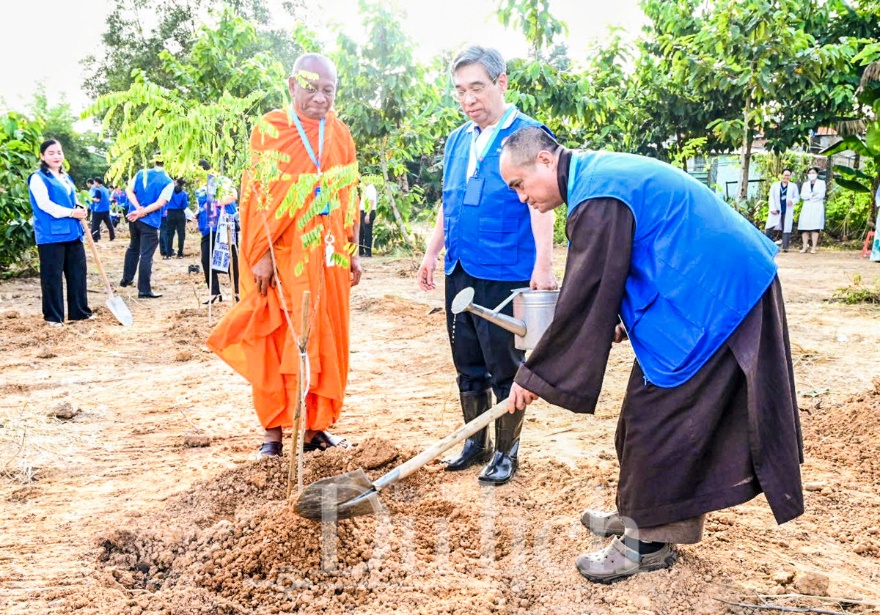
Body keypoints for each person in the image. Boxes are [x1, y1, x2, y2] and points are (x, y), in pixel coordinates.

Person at [499, 127, 803, 583]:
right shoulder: (594, 180)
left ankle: (647, 543)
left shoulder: (597, 197)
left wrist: (534, 373)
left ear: (545, 161)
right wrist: (615, 321)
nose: (522, 199)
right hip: (698, 285)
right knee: (641, 416)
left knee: (655, 420)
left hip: (717, 293)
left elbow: (585, 297)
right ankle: (645, 515)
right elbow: (621, 269)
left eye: (519, 185)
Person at [207, 53, 362, 457]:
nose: (320, 98)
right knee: (277, 338)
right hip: (281, 256)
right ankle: (273, 434)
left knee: (325, 337)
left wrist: (352, 251)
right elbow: (257, 198)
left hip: (327, 256)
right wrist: (260, 254)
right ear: (293, 85)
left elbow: (349, 197)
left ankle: (315, 430)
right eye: (311, 88)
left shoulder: (341, 134)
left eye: (329, 90)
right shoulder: (271, 130)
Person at [416, 46, 557, 485]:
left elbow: (542, 204)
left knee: (505, 364)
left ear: (501, 82)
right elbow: (449, 201)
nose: (468, 99)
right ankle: (475, 442)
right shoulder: (458, 139)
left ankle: (507, 450)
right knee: (467, 360)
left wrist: (545, 265)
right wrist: (432, 251)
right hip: (461, 266)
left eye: (476, 87)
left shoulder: (528, 135)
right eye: (460, 91)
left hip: (505, 269)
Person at [27, 139, 93, 326]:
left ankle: (79, 312)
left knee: (77, 273)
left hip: (73, 232)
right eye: (51, 153)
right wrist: (72, 212)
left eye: (59, 152)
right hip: (51, 235)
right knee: (52, 277)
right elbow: (45, 205)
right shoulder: (38, 177)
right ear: (42, 156)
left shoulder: (65, 177)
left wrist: (79, 208)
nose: (56, 156)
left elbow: (70, 200)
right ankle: (53, 317)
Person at [122, 154, 174, 298]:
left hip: (134, 218)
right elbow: (160, 203)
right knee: (146, 255)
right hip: (149, 221)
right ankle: (144, 289)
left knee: (133, 247)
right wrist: (143, 211)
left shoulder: (141, 173)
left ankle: (126, 279)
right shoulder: (168, 182)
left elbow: (129, 190)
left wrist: (137, 208)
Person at [195, 160, 239, 303]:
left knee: (231, 258)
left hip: (223, 225)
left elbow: (233, 195)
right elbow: (202, 205)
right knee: (206, 258)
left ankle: (237, 291)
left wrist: (214, 204)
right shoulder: (200, 188)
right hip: (208, 228)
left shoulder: (221, 180)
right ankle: (214, 292)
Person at [764, 169, 798, 252]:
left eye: (788, 175)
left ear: (790, 176)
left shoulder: (793, 186)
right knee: (769, 227)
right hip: (776, 210)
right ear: (781, 175)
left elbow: (797, 197)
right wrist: (772, 208)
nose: (786, 177)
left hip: (786, 210)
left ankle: (785, 247)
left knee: (786, 228)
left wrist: (792, 201)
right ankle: (766, 245)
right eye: (785, 175)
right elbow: (771, 198)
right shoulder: (775, 185)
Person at [798, 166, 826, 254]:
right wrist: (811, 195)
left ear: (817, 174)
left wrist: (810, 196)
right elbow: (803, 195)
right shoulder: (805, 184)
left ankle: (813, 247)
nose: (811, 175)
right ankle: (804, 246)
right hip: (807, 206)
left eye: (813, 173)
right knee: (804, 227)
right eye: (810, 173)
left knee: (815, 227)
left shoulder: (821, 183)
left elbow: (821, 195)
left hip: (817, 207)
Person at [163, 177, 189, 259]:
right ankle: (180, 253)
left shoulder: (170, 192)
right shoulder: (184, 193)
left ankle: (168, 254)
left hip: (170, 213)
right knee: (181, 234)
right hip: (180, 213)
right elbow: (185, 205)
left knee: (169, 234)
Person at [89, 177, 115, 242]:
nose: (94, 184)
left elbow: (98, 200)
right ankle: (112, 236)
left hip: (98, 210)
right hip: (106, 209)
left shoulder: (98, 190)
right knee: (109, 224)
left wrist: (91, 198)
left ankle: (95, 238)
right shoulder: (106, 189)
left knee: (95, 225)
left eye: (94, 182)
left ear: (97, 183)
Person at [359, 182, 377, 256]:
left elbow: (371, 202)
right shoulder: (365, 189)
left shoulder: (371, 189)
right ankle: (361, 250)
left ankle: (368, 251)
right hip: (363, 211)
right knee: (361, 232)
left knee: (367, 233)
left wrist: (368, 214)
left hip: (368, 212)